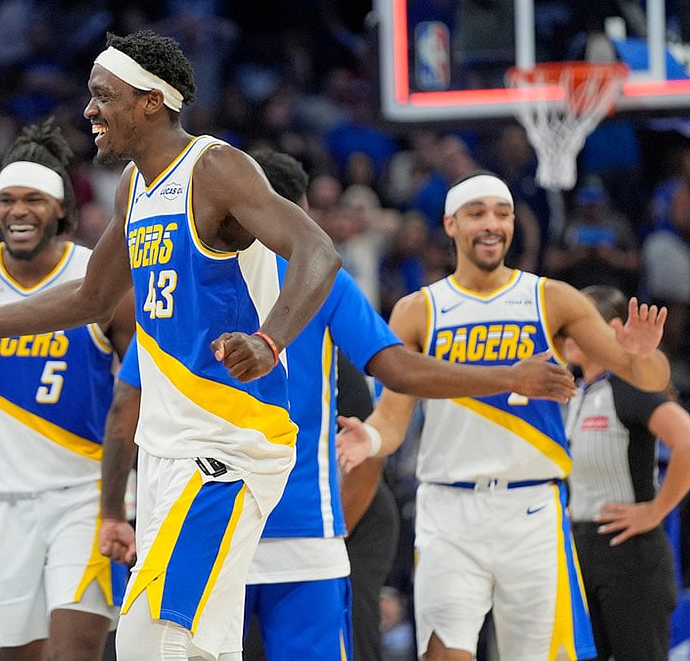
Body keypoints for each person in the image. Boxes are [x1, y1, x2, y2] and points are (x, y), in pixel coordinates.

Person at [0, 29, 344, 661]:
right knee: (188, 645)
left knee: (156, 642)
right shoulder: (135, 186)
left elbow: (319, 251)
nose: (89, 111)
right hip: (165, 452)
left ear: (151, 101)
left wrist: (271, 338)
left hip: (225, 449)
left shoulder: (214, 167)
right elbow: (90, 298)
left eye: (103, 96)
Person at [96, 151, 578, 661]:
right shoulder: (322, 281)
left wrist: (111, 512)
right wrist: (511, 376)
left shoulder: (184, 278)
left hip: (204, 519)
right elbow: (399, 370)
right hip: (303, 528)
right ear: (292, 213)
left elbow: (126, 403)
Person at [336, 172, 671, 660]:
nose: (492, 224)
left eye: (502, 213)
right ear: (450, 224)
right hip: (448, 511)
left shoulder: (552, 298)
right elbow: (393, 418)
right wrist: (369, 438)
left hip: (532, 510)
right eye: (477, 214)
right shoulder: (418, 310)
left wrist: (643, 355)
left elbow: (647, 377)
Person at [0, 117, 135, 660]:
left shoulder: (100, 278)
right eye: (7, 200)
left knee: (75, 649)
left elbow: (141, 387)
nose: (18, 210)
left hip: (81, 495)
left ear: (62, 208)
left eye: (34, 200)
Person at [564, 284, 690, 661]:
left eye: (578, 322)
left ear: (613, 329)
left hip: (631, 559)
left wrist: (656, 511)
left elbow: (687, 440)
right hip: (583, 552)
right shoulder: (577, 393)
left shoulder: (632, 387)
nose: (567, 331)